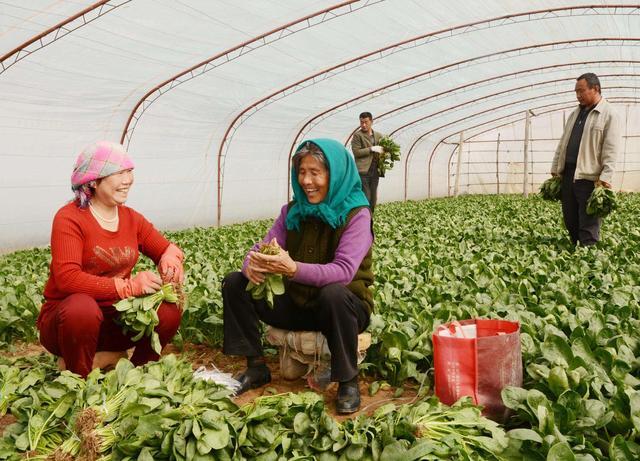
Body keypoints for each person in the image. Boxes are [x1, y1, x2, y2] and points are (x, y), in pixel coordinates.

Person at [222, 138, 374, 414]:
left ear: (335, 175)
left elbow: (343, 271)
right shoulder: (292, 211)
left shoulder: (357, 215)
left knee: (334, 292)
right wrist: (251, 265)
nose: (306, 181)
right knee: (235, 283)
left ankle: (348, 381)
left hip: (343, 310)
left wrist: (292, 268)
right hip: (299, 304)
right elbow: (260, 248)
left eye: (316, 173)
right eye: (302, 172)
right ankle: (256, 367)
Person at [37, 141, 184, 378]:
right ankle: (79, 377)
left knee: (168, 310)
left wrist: (171, 260)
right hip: (69, 323)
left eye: (130, 171)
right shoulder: (69, 219)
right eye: (119, 173)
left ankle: (131, 373)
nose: (128, 180)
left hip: (116, 319)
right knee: (81, 308)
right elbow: (67, 279)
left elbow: (167, 248)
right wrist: (129, 287)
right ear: (93, 181)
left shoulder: (131, 218)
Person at [550, 73, 620, 246]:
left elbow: (611, 149)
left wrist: (605, 177)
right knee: (570, 218)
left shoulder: (609, 114)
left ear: (595, 89)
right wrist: (556, 166)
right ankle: (576, 249)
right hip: (569, 174)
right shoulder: (575, 113)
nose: (578, 95)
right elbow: (563, 142)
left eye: (581, 91)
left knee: (589, 221)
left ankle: (589, 257)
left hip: (590, 178)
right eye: (576, 92)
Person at [351, 111, 386, 211]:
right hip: (363, 171)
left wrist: (385, 153)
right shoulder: (357, 136)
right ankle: (364, 220)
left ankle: (370, 219)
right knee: (366, 197)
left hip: (375, 170)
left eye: (366, 122)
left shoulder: (378, 135)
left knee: (373, 199)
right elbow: (356, 152)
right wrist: (371, 149)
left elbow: (384, 149)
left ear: (371, 121)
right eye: (361, 122)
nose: (363, 125)